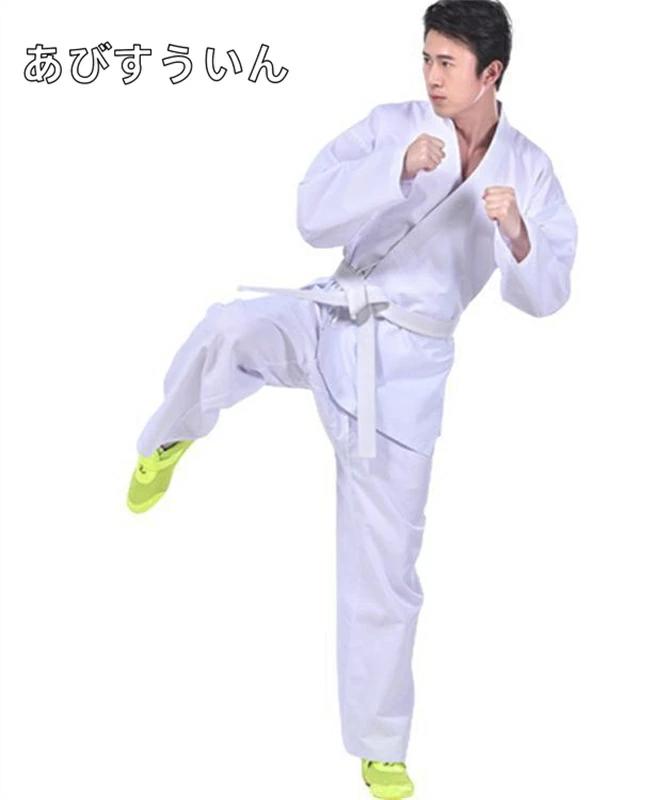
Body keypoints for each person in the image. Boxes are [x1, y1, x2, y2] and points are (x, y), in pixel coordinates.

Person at [126, 0, 578, 796]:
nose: (431, 76)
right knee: (228, 329)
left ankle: (381, 745)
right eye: (427, 58)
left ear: (491, 73)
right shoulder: (392, 125)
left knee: (385, 569)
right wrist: (393, 169)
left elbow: (548, 293)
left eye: (447, 63)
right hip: (335, 312)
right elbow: (310, 212)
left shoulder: (530, 169)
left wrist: (516, 233)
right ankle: (169, 437)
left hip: (406, 372)